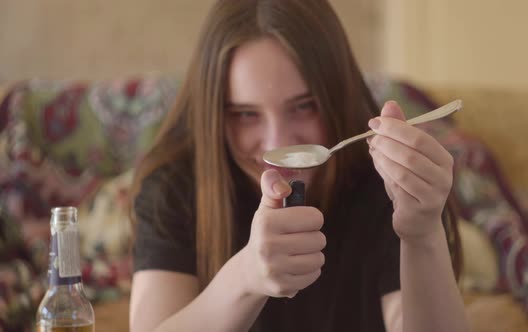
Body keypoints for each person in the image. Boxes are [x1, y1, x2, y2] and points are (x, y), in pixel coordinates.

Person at [129, 0, 469, 331]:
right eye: (246, 115)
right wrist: (245, 277)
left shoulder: (384, 183)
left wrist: (421, 233)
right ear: (214, 114)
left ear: (338, 96)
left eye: (304, 106)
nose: (278, 143)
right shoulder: (174, 188)